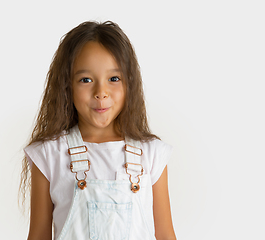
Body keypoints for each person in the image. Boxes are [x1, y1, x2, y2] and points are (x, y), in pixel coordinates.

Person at [20, 20, 177, 240]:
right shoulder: (49, 155)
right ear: (67, 86)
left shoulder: (151, 154)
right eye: (85, 80)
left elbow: (166, 235)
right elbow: (38, 235)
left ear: (130, 83)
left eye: (114, 79)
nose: (101, 92)